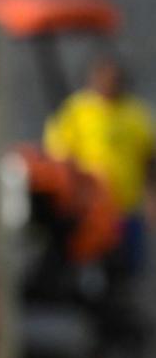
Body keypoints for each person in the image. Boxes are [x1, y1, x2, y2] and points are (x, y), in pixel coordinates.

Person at [44, 56, 155, 275]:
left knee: (129, 269)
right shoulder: (76, 112)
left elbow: (149, 160)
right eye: (103, 78)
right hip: (88, 213)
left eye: (114, 79)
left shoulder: (136, 114)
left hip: (126, 210)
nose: (109, 83)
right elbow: (59, 158)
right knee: (87, 269)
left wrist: (151, 200)